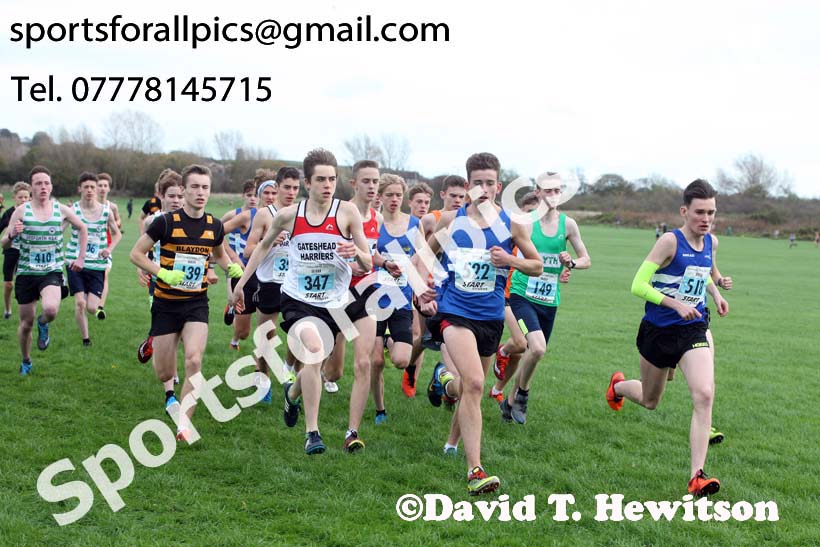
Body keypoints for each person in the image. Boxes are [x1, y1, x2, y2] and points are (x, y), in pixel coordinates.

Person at [418, 152, 543, 495]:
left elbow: (537, 266)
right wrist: (422, 293)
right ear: (468, 185)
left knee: (469, 389)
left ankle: (449, 430)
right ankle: (476, 470)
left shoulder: (511, 225)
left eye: (490, 183)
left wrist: (510, 259)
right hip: (455, 313)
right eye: (477, 183)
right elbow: (421, 258)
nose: (484, 189)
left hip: (490, 317)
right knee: (474, 383)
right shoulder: (451, 222)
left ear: (499, 186)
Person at [233, 149, 371, 455]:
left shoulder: (347, 213)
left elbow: (367, 263)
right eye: (320, 179)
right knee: (313, 350)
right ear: (307, 183)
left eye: (332, 179)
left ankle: (292, 393)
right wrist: (241, 285)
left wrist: (354, 253)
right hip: (297, 300)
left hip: (336, 302)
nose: (327, 185)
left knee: (331, 370)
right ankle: (313, 433)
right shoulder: (288, 216)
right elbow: (260, 248)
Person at [606, 179, 729, 497]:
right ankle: (618, 386)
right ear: (684, 211)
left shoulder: (711, 243)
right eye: (700, 212)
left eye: (711, 212)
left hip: (692, 328)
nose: (706, 218)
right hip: (658, 331)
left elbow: (702, 275)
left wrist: (714, 294)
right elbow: (638, 285)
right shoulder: (669, 243)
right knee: (650, 400)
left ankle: (696, 476)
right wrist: (675, 304)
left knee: (704, 394)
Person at [129, 164, 243, 442]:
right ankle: (154, 343)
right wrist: (163, 273)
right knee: (165, 372)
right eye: (195, 187)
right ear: (184, 190)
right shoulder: (165, 222)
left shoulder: (214, 226)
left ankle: (184, 423)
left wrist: (232, 268)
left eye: (205, 187)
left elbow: (218, 254)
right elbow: (136, 254)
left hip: (196, 303)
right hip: (166, 304)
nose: (200, 192)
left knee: (194, 358)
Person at [492, 174, 590, 424]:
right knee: (536, 347)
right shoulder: (524, 223)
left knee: (535, 354)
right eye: (548, 190)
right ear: (537, 192)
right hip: (522, 294)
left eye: (558, 190)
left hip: (549, 300)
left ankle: (510, 402)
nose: (553, 195)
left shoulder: (568, 225)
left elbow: (585, 259)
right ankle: (523, 394)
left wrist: (572, 263)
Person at [320, 159, 387, 452]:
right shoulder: (337, 213)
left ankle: (352, 432)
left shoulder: (378, 219)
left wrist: (387, 264)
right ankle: (295, 391)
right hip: (337, 295)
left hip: (365, 292)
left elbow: (372, 255)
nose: (372, 187)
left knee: (364, 362)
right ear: (354, 184)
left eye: (376, 181)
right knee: (333, 371)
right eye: (367, 181)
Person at [2, 166, 88, 375]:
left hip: (52, 271)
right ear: (32, 187)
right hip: (26, 273)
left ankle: (44, 324)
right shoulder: (21, 211)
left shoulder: (61, 210)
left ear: (51, 186)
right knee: (25, 324)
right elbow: (4, 244)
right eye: (38, 183)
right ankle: (26, 360)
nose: (43, 187)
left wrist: (81, 257)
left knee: (50, 309)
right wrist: (12, 234)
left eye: (46, 183)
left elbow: (82, 228)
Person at [402, 176, 469, 398]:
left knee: (445, 336)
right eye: (453, 196)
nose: (458, 200)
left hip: (453, 287)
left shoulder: (468, 220)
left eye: (462, 196)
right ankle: (411, 369)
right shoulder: (431, 220)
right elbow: (418, 254)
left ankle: (448, 383)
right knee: (421, 337)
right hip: (429, 286)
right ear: (443, 195)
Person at [238, 167, 301, 401]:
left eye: (296, 188)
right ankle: (262, 378)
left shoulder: (303, 214)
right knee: (267, 336)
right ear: (277, 187)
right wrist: (271, 241)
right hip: (269, 282)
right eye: (286, 187)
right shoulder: (265, 215)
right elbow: (248, 250)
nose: (291, 192)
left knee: (300, 332)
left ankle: (289, 368)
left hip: (295, 283)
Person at [370, 174, 426, 424]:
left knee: (402, 360)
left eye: (398, 195)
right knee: (376, 362)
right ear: (380, 196)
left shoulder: (414, 224)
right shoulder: (373, 223)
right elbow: (364, 254)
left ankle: (389, 339)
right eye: (389, 194)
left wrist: (423, 289)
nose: (394, 199)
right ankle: (380, 409)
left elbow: (424, 258)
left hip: (401, 302)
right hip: (372, 302)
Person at [65, 172, 122, 346]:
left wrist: (109, 249)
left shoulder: (106, 211)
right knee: (80, 303)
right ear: (79, 189)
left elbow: (117, 233)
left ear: (97, 189)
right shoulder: (72, 210)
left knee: (91, 307)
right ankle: (86, 339)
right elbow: (59, 228)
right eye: (86, 187)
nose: (90, 190)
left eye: (92, 187)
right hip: (75, 262)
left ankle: (92, 306)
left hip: (97, 264)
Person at [220, 179, 259, 351]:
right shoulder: (233, 215)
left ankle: (236, 337)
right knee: (244, 332)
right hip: (237, 268)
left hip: (260, 270)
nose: (252, 199)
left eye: (255, 195)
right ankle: (232, 307)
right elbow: (215, 234)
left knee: (250, 329)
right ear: (243, 196)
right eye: (249, 195)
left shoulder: (264, 216)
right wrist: (233, 257)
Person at [1, 182, 31, 319]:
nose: (24, 200)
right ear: (15, 198)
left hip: (28, 252)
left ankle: (26, 309)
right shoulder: (8, 214)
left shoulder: (33, 212)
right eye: (20, 197)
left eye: (26, 197)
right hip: (12, 250)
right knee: (8, 284)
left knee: (26, 283)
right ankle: (7, 309)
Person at [95, 173, 122, 320]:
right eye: (100, 185)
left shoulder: (112, 206)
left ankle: (100, 307)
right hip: (90, 246)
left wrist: (114, 224)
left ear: (109, 188)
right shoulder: (90, 204)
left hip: (107, 246)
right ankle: (89, 300)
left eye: (105, 186)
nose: (102, 188)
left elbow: (118, 222)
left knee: (104, 274)